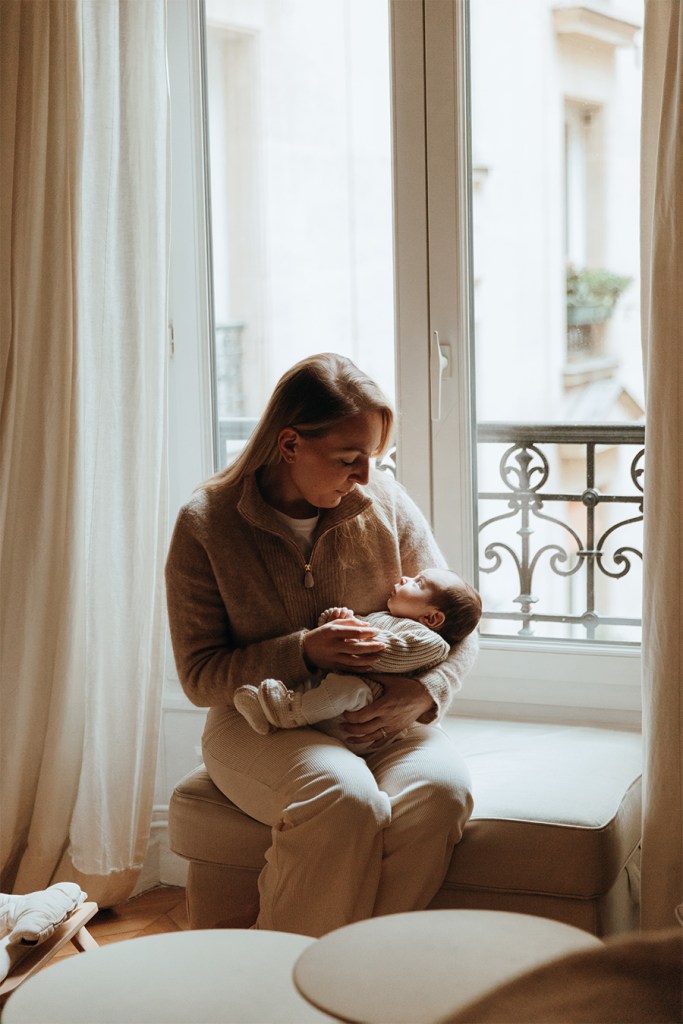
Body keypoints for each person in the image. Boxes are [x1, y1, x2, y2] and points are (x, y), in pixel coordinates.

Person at [165, 352, 479, 938]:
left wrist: (424, 693)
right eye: (348, 458)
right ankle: (283, 975)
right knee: (344, 796)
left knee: (440, 793)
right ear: (289, 445)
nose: (365, 474)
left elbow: (457, 624)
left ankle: (353, 968)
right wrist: (303, 652)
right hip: (258, 722)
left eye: (374, 457)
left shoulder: (385, 502)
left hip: (376, 715)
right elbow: (200, 676)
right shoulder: (208, 524)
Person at [233, 567, 482, 754]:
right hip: (334, 700)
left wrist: (350, 638)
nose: (404, 578)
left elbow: (389, 653)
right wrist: (336, 622)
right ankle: (266, 711)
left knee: (348, 689)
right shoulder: (384, 616)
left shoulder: (431, 642)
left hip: (365, 716)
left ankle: (288, 712)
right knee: (320, 684)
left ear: (432, 619)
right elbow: (350, 634)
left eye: (417, 583)